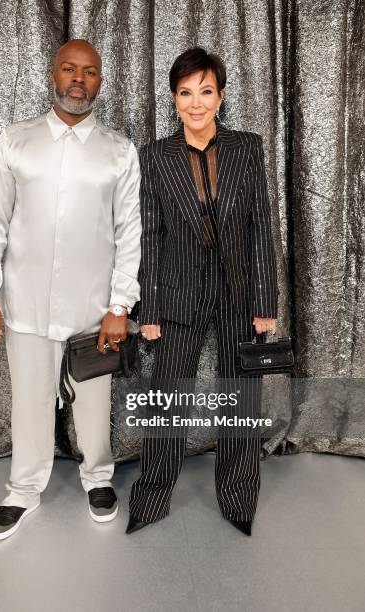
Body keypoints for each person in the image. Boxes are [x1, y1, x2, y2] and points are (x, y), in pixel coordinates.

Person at [0, 39, 142, 540]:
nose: (78, 80)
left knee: (92, 399)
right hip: (25, 300)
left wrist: (119, 305)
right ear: (53, 75)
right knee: (31, 399)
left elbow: (130, 232)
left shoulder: (119, 151)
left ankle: (98, 477)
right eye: (70, 69)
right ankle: (22, 490)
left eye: (89, 72)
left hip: (93, 309)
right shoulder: (15, 141)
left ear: (99, 83)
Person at [127, 47, 278, 537]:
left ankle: (238, 499)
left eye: (206, 92)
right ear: (174, 99)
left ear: (221, 96)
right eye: (186, 93)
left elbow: (261, 228)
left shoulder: (248, 148)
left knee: (241, 396)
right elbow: (149, 234)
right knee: (167, 395)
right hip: (176, 293)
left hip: (239, 292)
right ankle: (151, 498)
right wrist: (147, 306)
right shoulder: (154, 156)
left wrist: (265, 303)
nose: (196, 103)